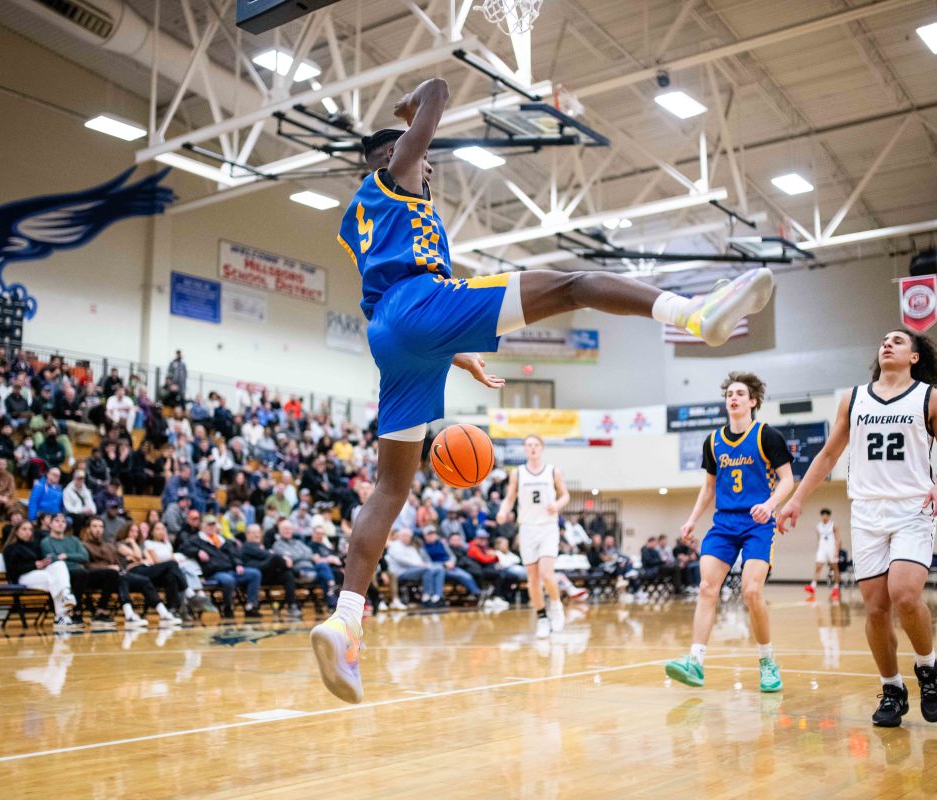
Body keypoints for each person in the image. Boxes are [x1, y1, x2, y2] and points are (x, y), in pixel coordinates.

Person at [309, 77, 776, 703]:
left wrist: (463, 359)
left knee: (391, 487)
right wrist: (418, 103)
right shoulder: (397, 180)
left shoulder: (357, 218)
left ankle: (345, 620)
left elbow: (404, 317)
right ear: (399, 161)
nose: (427, 172)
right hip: (419, 304)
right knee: (576, 284)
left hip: (393, 337)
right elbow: (438, 93)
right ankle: (694, 315)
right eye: (418, 161)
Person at [778, 329, 937, 728]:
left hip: (914, 508)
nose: (888, 343)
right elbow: (828, 455)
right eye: (883, 340)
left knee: (905, 596)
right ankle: (892, 689)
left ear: (914, 357)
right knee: (876, 609)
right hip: (866, 513)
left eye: (898, 340)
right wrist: (795, 500)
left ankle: (928, 670)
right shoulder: (854, 398)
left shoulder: (932, 398)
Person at [665, 372, 794, 694]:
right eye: (729, 395)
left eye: (740, 394)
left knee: (751, 592)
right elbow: (709, 487)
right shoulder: (714, 441)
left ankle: (767, 662)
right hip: (724, 524)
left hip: (757, 523)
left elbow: (788, 480)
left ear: (752, 401)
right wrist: (693, 519)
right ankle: (695, 661)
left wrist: (770, 504)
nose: (733, 398)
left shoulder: (767, 436)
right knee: (707, 587)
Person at [496, 434, 570, 638]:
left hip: (548, 527)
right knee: (533, 579)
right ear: (524, 449)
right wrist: (503, 511)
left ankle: (556, 605)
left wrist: (557, 504)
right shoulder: (518, 473)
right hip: (527, 528)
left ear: (542, 448)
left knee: (547, 573)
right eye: (528, 445)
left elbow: (565, 495)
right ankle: (542, 617)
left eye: (536, 444)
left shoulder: (553, 471)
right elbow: (510, 498)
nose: (532, 448)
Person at [179, 514, 261, 619]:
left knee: (255, 574)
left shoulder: (222, 539)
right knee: (228, 580)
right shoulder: (196, 539)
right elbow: (183, 548)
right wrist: (197, 551)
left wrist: (238, 564)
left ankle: (251, 606)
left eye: (213, 525)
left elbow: (234, 554)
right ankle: (228, 608)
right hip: (214, 573)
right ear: (203, 526)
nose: (212, 527)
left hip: (231, 570)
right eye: (209, 525)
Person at [2, 520, 78, 629]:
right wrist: (34, 565)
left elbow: (41, 562)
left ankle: (65, 597)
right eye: (24, 529)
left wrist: (44, 563)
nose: (28, 532)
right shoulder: (10, 548)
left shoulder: (34, 546)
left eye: (30, 529)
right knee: (51, 579)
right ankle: (62, 614)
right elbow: (12, 570)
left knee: (59, 565)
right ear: (16, 531)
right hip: (22, 577)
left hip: (39, 574)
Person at [804, 509, 843, 601]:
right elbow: (819, 538)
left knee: (835, 567)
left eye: (826, 515)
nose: (825, 517)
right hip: (822, 548)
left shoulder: (834, 525)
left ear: (829, 516)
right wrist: (819, 549)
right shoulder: (818, 526)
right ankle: (813, 586)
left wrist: (837, 550)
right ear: (821, 516)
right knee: (818, 566)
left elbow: (838, 538)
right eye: (823, 515)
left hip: (832, 548)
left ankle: (836, 587)